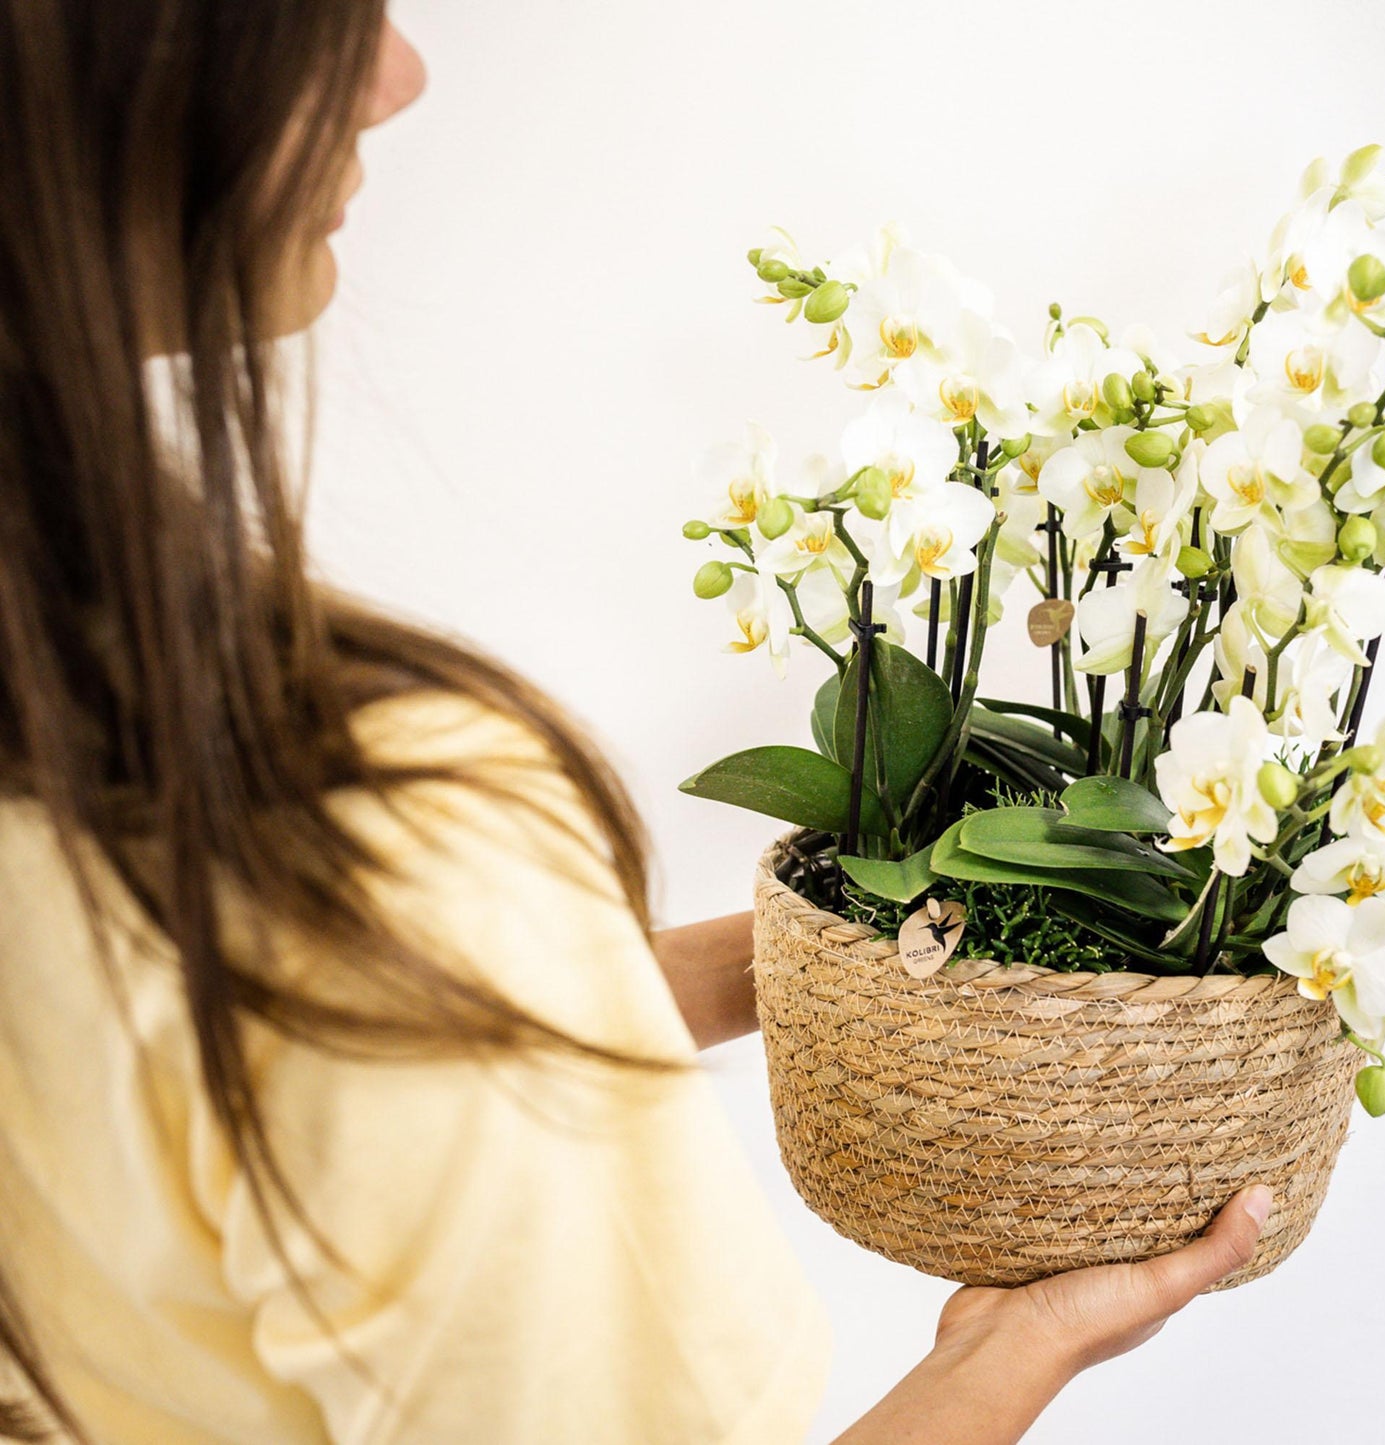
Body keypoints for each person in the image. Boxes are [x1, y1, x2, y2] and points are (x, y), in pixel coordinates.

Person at [0, 5, 1274, 1441]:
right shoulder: (381, 836)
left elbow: (298, 1079)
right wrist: (1009, 1353)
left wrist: (809, 966)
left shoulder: (82, 728)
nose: (398, 76)